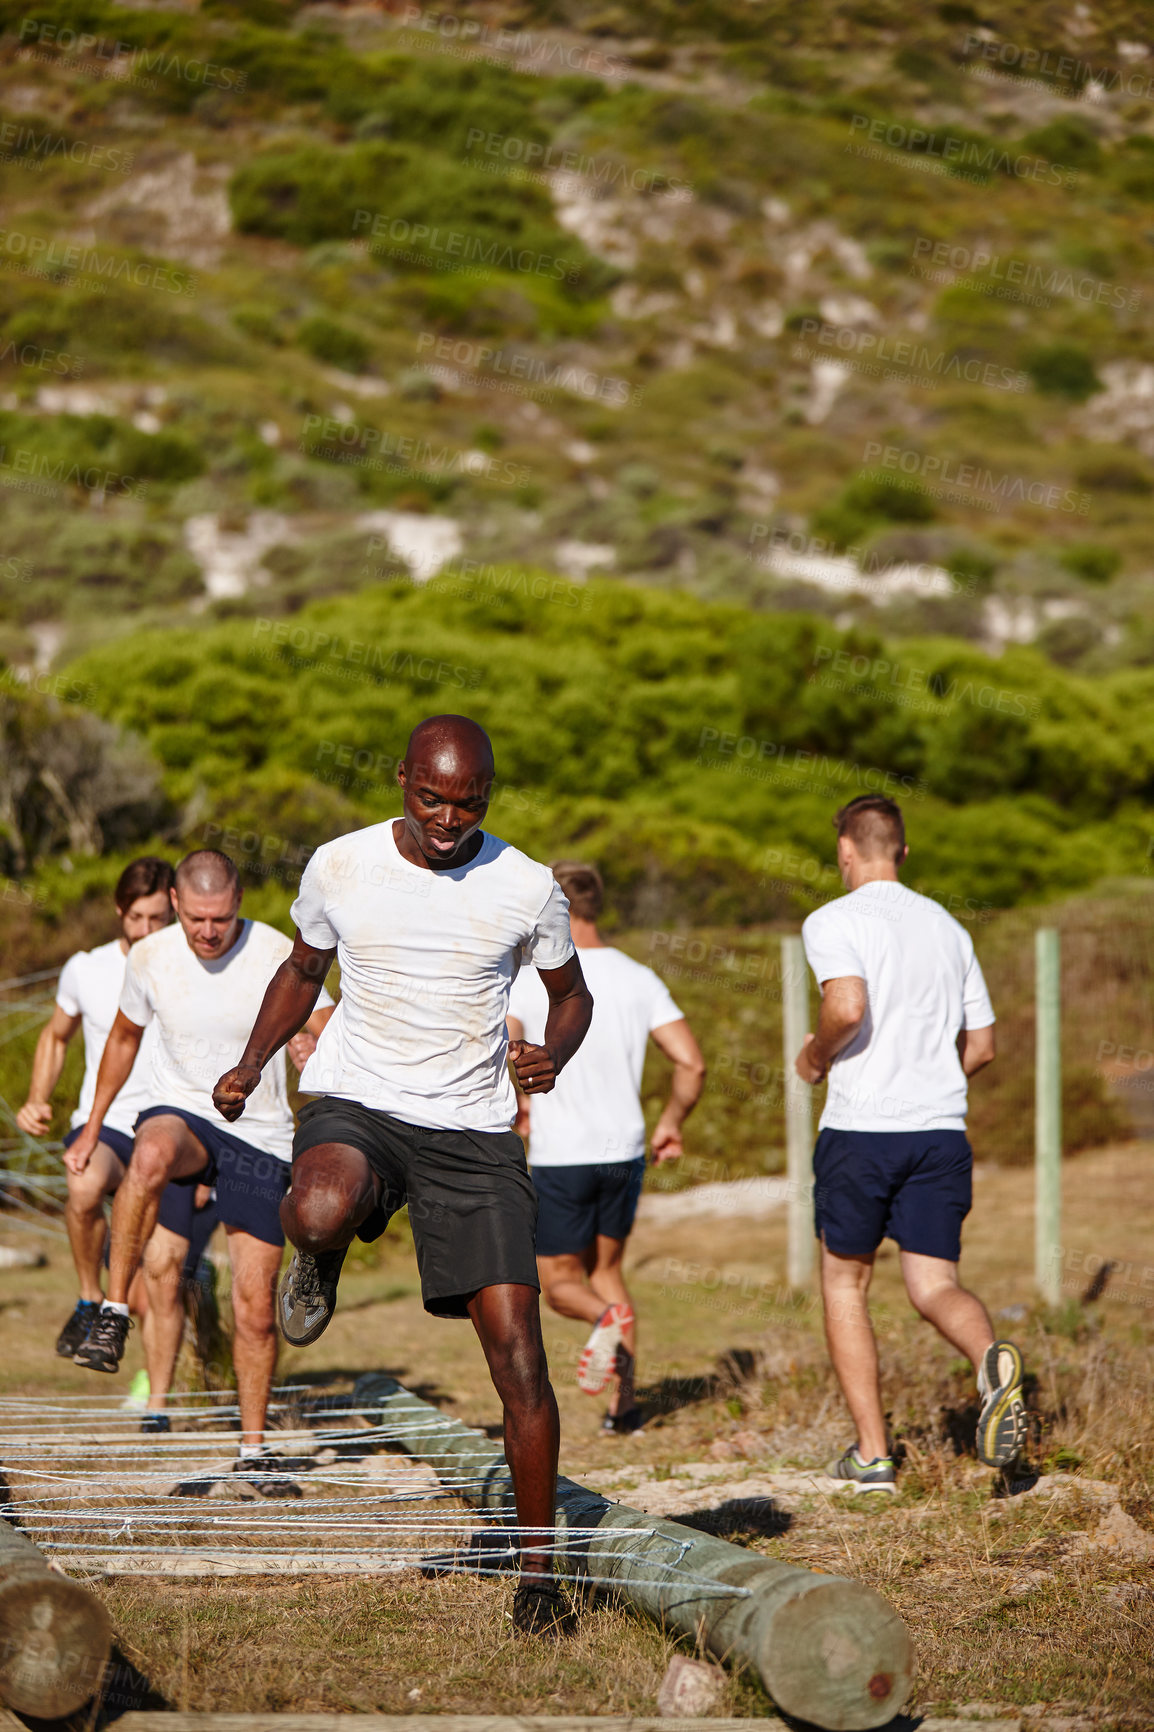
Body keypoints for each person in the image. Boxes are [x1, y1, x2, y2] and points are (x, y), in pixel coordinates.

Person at [212, 715, 593, 1634]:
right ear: (401, 781)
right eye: (432, 797)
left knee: (519, 1357)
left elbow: (571, 995)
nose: (449, 817)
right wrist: (252, 1061)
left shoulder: (526, 886)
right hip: (360, 1102)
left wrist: (556, 1053)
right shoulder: (340, 865)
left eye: (469, 802)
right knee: (316, 1207)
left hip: (471, 1126)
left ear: (490, 796)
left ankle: (538, 1575)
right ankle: (325, 1251)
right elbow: (304, 971)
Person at [66, 849, 335, 1489]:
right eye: (197, 921)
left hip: (259, 1135)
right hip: (181, 1109)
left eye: (221, 919)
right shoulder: (150, 954)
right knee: (151, 1152)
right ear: (178, 906)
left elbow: (326, 1024)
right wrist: (98, 1117)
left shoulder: (277, 950)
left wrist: (307, 1044)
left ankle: (253, 1450)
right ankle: (111, 1311)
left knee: (254, 1307)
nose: (209, 933)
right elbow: (124, 1039)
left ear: (237, 904)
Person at [794, 794, 1026, 1492]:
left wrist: (816, 1057)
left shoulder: (833, 919)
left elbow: (846, 1007)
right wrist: (929, 1083)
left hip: (862, 1132)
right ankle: (990, 1359)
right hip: (939, 1132)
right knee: (935, 1286)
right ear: (902, 850)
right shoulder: (949, 928)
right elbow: (981, 1046)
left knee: (845, 1281)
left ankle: (873, 1458)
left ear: (845, 852)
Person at [507, 861, 705, 1435]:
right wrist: (671, 1121)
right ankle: (625, 1411)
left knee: (562, 1282)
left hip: (562, 1152)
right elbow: (691, 1062)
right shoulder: (639, 977)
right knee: (610, 1269)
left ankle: (604, 1319)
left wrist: (520, 1098)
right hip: (625, 1150)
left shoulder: (534, 975)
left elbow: (511, 1038)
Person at [16, 857, 217, 1402]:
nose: (147, 930)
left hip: (175, 1131)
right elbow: (56, 1037)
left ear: (174, 909)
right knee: (81, 1186)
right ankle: (89, 1300)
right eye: (136, 918)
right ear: (118, 912)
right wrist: (36, 1098)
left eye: (158, 918)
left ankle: (156, 1408)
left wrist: (213, 1160)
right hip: (103, 1126)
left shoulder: (196, 965)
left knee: (162, 1277)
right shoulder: (86, 968)